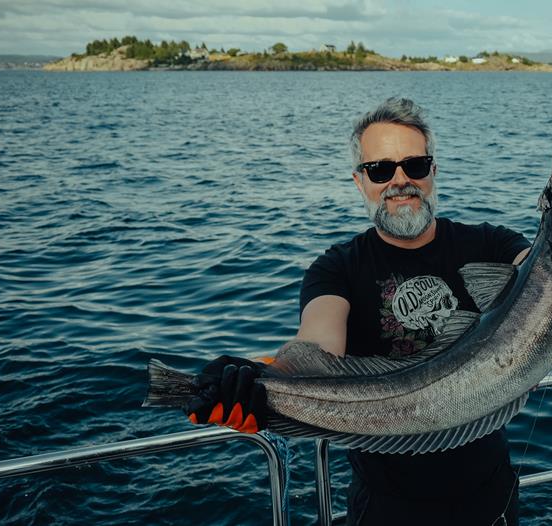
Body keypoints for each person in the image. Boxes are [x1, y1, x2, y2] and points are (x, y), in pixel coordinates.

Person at [185, 97, 531, 525]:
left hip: (491, 494)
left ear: (433, 171)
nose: (400, 181)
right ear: (359, 181)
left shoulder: (493, 244)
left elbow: (548, 281)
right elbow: (316, 346)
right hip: (386, 505)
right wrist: (250, 377)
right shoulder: (337, 268)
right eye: (380, 170)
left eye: (415, 166)